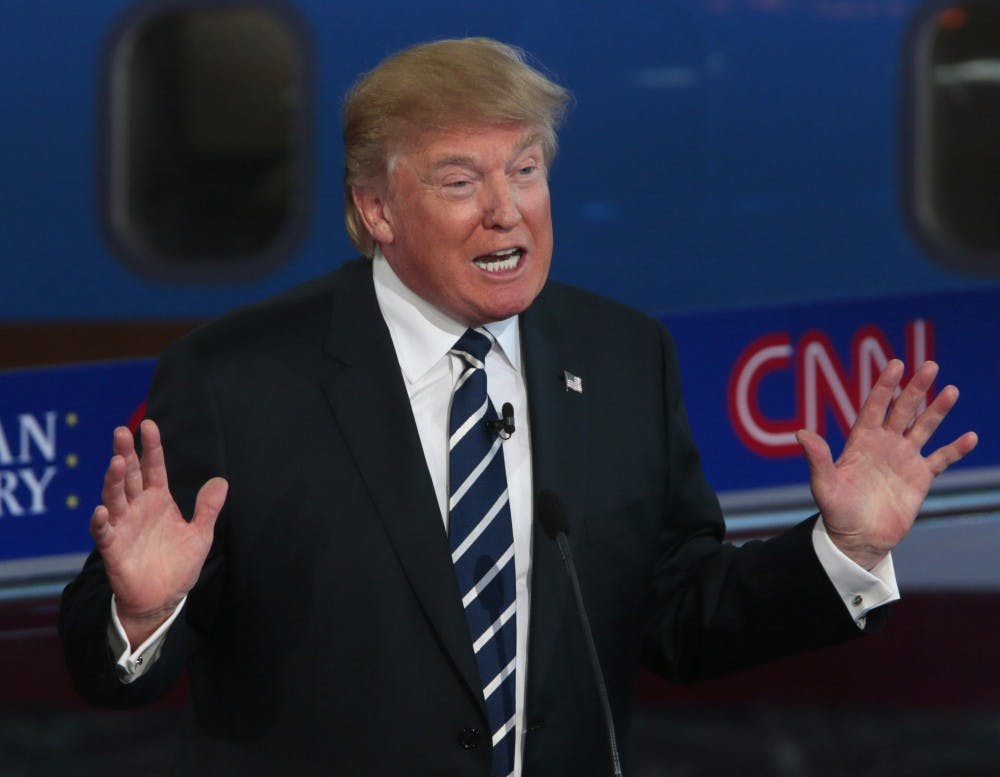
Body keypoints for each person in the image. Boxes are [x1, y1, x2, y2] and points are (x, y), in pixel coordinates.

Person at [59, 38, 978, 777]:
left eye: (526, 171)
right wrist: (141, 614)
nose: (507, 212)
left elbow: (677, 611)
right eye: (461, 183)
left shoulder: (622, 356)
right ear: (376, 208)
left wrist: (846, 551)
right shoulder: (235, 377)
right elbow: (109, 664)